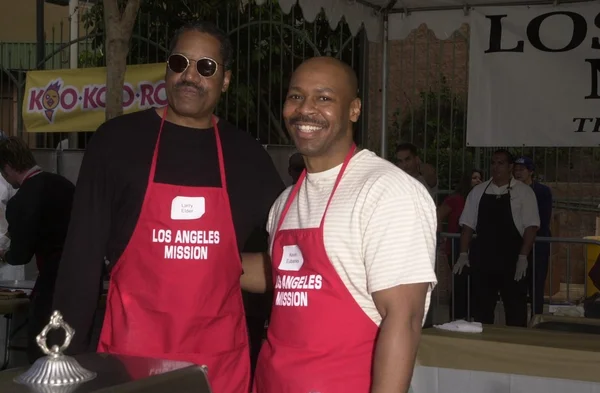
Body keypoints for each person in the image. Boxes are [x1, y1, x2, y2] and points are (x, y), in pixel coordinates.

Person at [50, 22, 284, 393]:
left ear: (225, 80)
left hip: (217, 368)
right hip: (130, 365)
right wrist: (63, 356)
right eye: (180, 63)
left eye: (205, 67)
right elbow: (82, 253)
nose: (189, 75)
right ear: (167, 69)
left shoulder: (247, 156)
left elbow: (292, 251)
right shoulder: (117, 143)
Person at [252, 57, 437, 393]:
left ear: (354, 109)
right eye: (296, 96)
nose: (305, 109)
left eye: (324, 98)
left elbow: (404, 319)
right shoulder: (284, 203)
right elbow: (283, 278)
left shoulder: (386, 190)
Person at [0, 137, 75, 363]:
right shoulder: (63, 184)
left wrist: (3, 253)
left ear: (9, 167)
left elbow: (20, 255)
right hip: (82, 274)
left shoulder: (22, 199)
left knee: (42, 344)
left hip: (53, 278)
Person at [454, 150, 539, 327]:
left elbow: (531, 227)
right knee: (481, 312)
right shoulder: (477, 192)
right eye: (493, 163)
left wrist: (523, 257)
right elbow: (467, 226)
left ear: (510, 167)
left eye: (500, 163)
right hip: (484, 261)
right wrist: (463, 254)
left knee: (515, 311)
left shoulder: (524, 193)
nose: (496, 167)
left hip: (513, 261)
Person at [437, 169, 482, 320]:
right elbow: (438, 214)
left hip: (474, 246)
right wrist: (441, 236)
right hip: (456, 246)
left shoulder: (480, 197)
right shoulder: (456, 199)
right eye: (474, 177)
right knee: (459, 285)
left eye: (480, 178)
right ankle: (457, 317)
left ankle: (471, 316)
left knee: (474, 285)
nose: (477, 181)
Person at [513, 156, 552, 315]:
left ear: (531, 172)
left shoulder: (542, 191)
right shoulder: (511, 189)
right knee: (518, 283)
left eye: (522, 170)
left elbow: (543, 218)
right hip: (517, 242)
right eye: (515, 170)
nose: (518, 173)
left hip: (538, 244)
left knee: (536, 284)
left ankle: (537, 317)